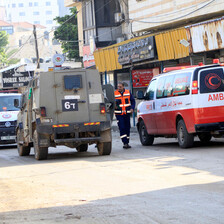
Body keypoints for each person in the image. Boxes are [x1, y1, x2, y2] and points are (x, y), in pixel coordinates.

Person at [114, 82, 136, 149]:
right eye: (118, 86)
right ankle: (125, 142)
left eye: (120, 87)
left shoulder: (128, 92)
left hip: (127, 113)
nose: (119, 88)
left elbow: (133, 101)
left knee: (127, 127)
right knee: (122, 127)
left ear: (123, 87)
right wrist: (114, 106)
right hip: (119, 114)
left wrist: (132, 108)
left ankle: (127, 141)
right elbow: (111, 102)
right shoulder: (115, 93)